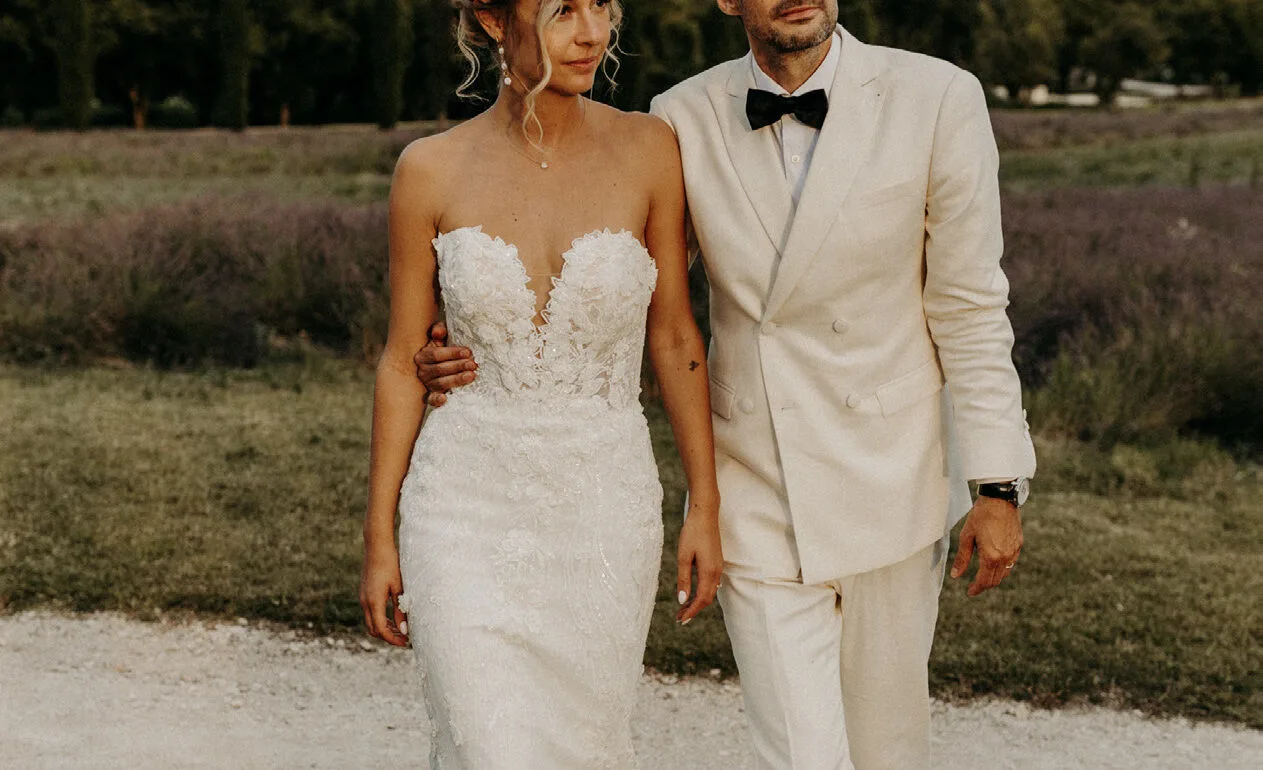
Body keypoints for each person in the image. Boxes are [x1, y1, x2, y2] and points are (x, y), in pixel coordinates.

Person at [416, 0, 1037, 768]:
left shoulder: (937, 98)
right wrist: (471, 336)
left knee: (889, 749)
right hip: (753, 489)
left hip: (893, 480)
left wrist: (996, 482)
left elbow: (970, 307)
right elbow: (630, 287)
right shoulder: (682, 116)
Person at [357, 0, 723, 767]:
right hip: (461, 506)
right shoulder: (428, 169)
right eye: (561, 11)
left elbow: (674, 337)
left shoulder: (649, 149)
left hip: (604, 508)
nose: (590, 34)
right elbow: (400, 360)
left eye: (601, 7)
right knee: (487, 744)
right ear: (494, 20)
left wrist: (704, 505)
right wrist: (378, 536)